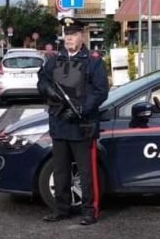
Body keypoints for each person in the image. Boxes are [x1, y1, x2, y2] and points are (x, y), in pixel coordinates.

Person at [37, 17, 109, 225]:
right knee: (60, 171)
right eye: (66, 35)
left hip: (81, 124)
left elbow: (100, 91)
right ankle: (61, 208)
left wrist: (81, 109)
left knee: (87, 172)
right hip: (59, 123)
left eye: (73, 34)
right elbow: (42, 79)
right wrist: (47, 89)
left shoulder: (93, 60)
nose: (69, 38)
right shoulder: (55, 59)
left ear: (82, 36)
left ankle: (89, 211)